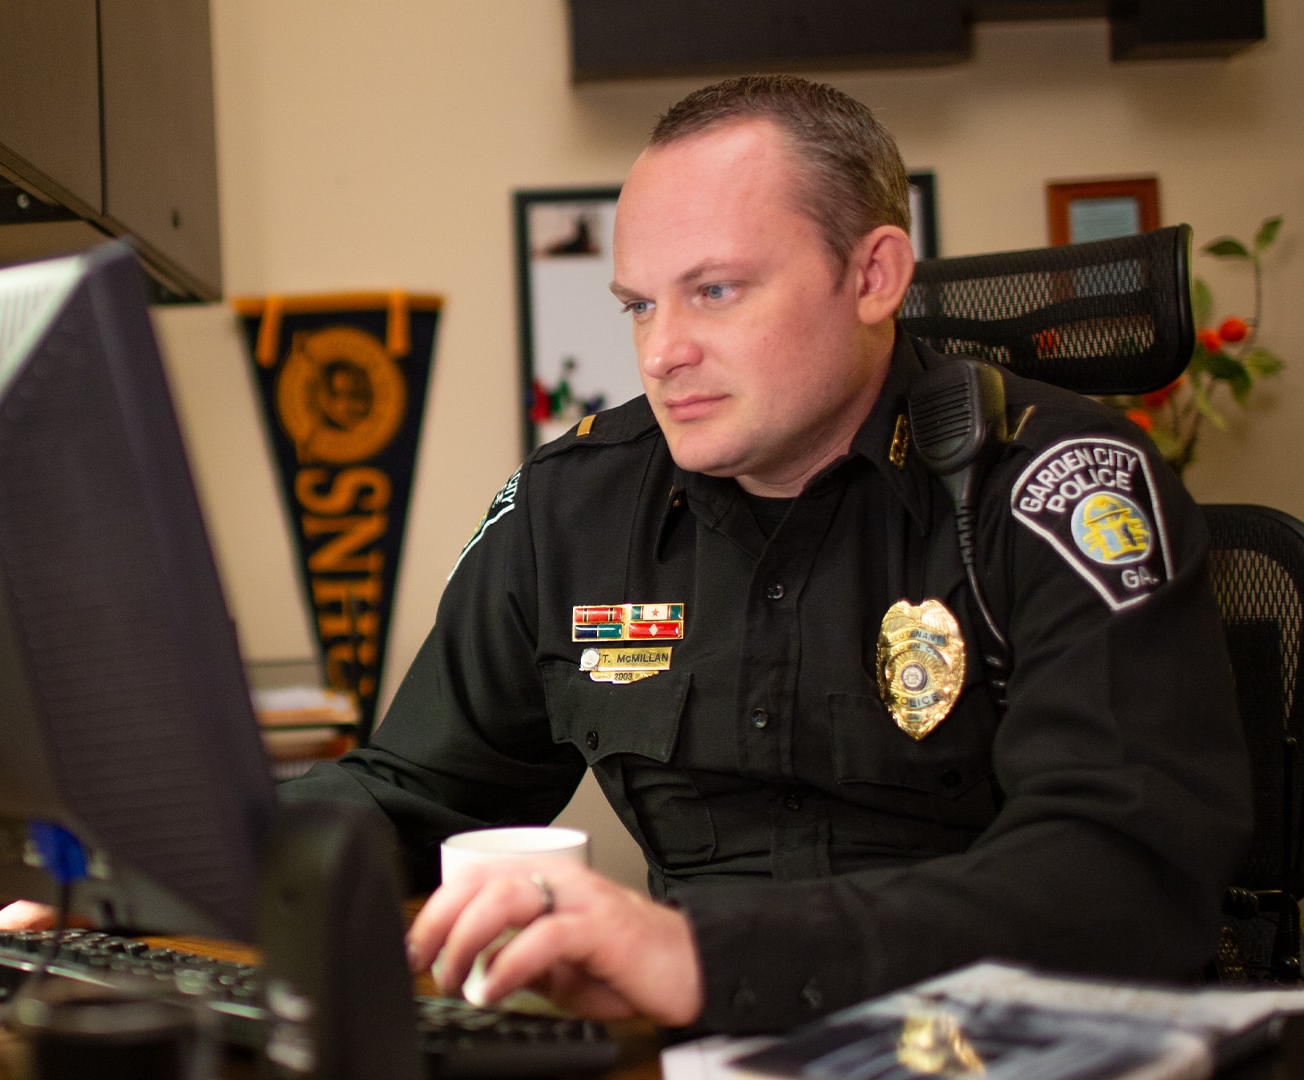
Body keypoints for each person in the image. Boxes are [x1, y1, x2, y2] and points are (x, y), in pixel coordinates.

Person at [280, 73, 1252, 1033]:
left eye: (713, 290)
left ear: (873, 277)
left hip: (1009, 1046)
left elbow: (1123, 875)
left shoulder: (1055, 486)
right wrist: (209, 835)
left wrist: (703, 955)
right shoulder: (568, 509)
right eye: (639, 306)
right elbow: (414, 798)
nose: (661, 352)